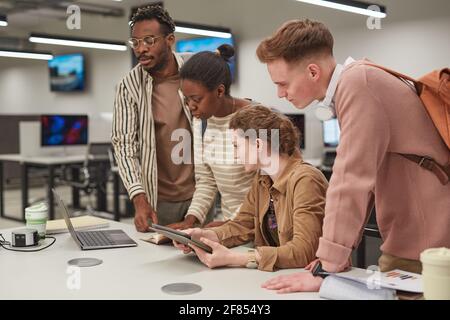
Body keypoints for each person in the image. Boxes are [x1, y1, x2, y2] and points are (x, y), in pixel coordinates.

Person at [255, 19, 450, 292]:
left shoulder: (358, 84)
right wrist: (335, 254)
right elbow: (364, 178)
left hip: (424, 245)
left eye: (283, 83)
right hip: (420, 236)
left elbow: (350, 179)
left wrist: (327, 264)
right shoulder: (362, 79)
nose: (280, 93)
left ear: (313, 72)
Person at [173, 106, 329, 272]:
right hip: (281, 276)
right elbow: (242, 225)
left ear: (258, 144)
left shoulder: (306, 180)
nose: (235, 154)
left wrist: (235, 258)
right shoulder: (263, 179)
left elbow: (304, 251)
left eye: (236, 146)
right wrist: (201, 235)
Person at [111, 5, 195, 230]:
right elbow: (125, 146)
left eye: (149, 40)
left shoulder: (195, 71)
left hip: (201, 195)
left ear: (170, 40)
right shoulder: (128, 86)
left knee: (206, 259)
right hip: (157, 201)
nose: (141, 49)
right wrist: (139, 199)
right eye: (135, 42)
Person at [168, 44, 257, 230]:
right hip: (233, 229)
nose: (191, 107)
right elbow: (207, 180)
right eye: (187, 99)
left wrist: (235, 224)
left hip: (263, 228)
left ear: (219, 91)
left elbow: (273, 186)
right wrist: (190, 220)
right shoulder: (202, 122)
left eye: (196, 99)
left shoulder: (258, 119)